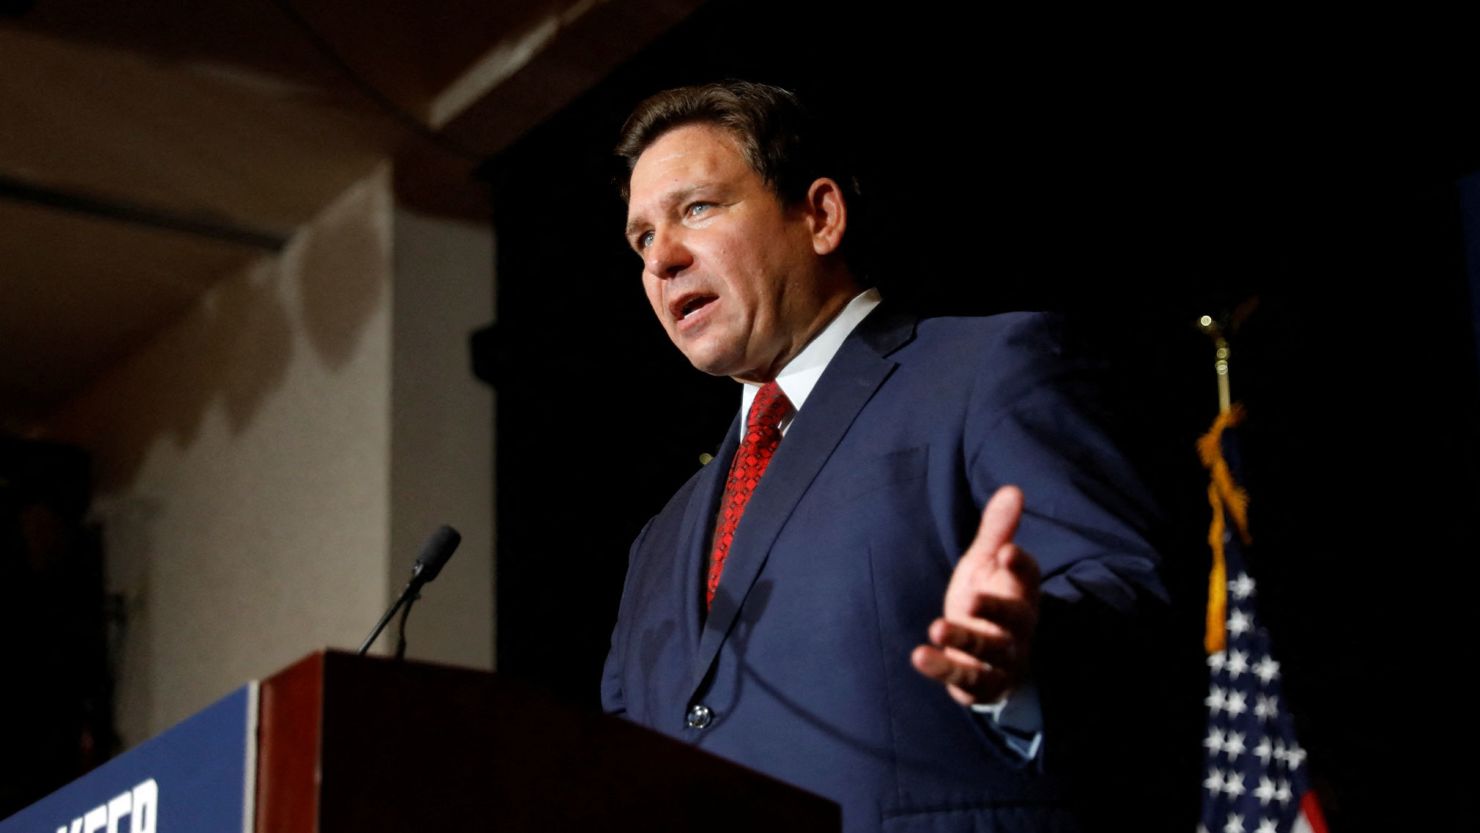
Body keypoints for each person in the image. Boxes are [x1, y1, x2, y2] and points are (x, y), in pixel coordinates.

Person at [601, 80, 1188, 833]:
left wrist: (1026, 644)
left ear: (819, 215)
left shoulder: (983, 372)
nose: (663, 259)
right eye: (642, 237)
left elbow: (1132, 606)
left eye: (697, 209)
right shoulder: (660, 540)